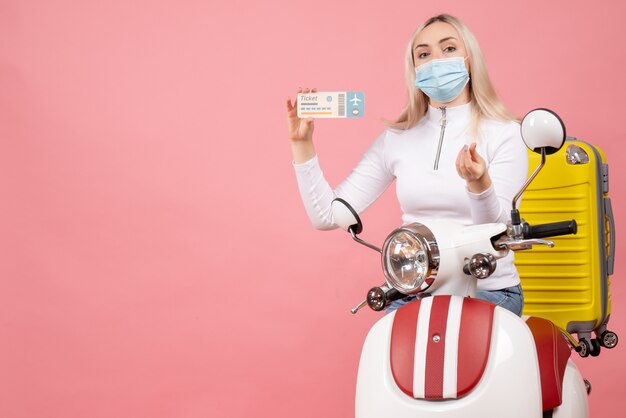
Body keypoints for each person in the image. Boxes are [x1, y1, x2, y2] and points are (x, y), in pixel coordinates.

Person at [285, 14, 528, 316]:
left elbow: (497, 233)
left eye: (449, 49)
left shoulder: (507, 131)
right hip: (415, 291)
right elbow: (326, 216)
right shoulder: (397, 138)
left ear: (469, 59)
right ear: (414, 70)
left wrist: (479, 185)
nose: (436, 61)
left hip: (487, 290)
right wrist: (302, 144)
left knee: (450, 352)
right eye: (424, 54)